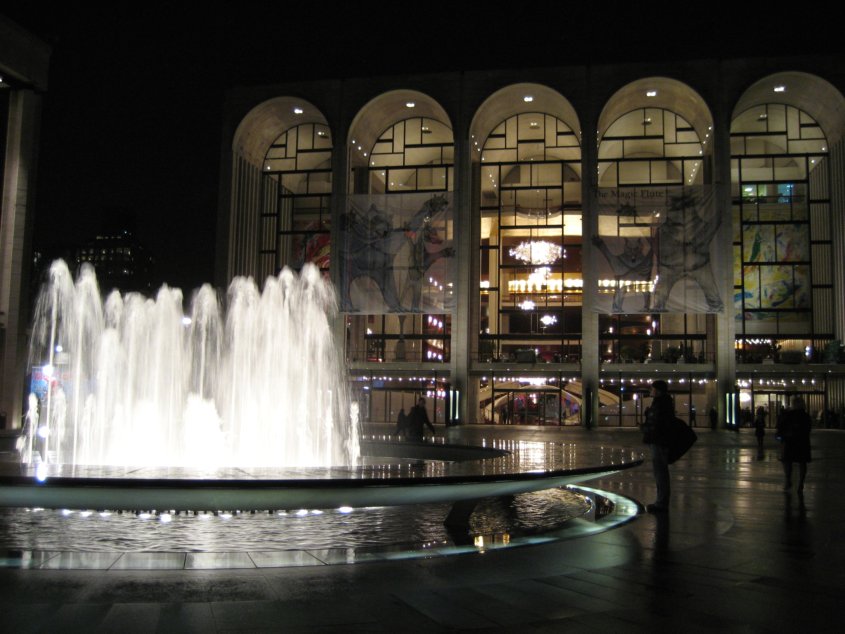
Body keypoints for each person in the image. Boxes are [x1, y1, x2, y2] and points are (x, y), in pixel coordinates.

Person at [641, 380, 674, 513]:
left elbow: (658, 424)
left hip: (659, 442)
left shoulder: (661, 404)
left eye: (653, 388)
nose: (651, 390)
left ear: (658, 391)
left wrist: (646, 428)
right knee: (660, 472)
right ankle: (661, 501)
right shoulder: (663, 403)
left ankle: (661, 503)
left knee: (660, 472)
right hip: (658, 441)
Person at [777, 396, 812, 494]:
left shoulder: (788, 415)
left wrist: (780, 436)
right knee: (802, 462)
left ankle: (788, 479)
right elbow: (808, 429)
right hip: (802, 442)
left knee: (787, 461)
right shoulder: (805, 416)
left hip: (789, 441)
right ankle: (801, 482)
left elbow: (781, 427)